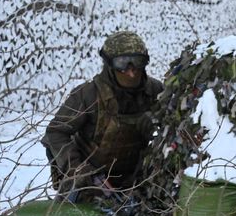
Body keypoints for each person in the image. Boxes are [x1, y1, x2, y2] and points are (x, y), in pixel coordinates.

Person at [42, 30, 164, 203]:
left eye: (137, 62)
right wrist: (79, 170)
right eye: (122, 63)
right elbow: (55, 133)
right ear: (109, 65)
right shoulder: (88, 95)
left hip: (134, 184)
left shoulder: (155, 91)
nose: (131, 72)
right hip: (88, 185)